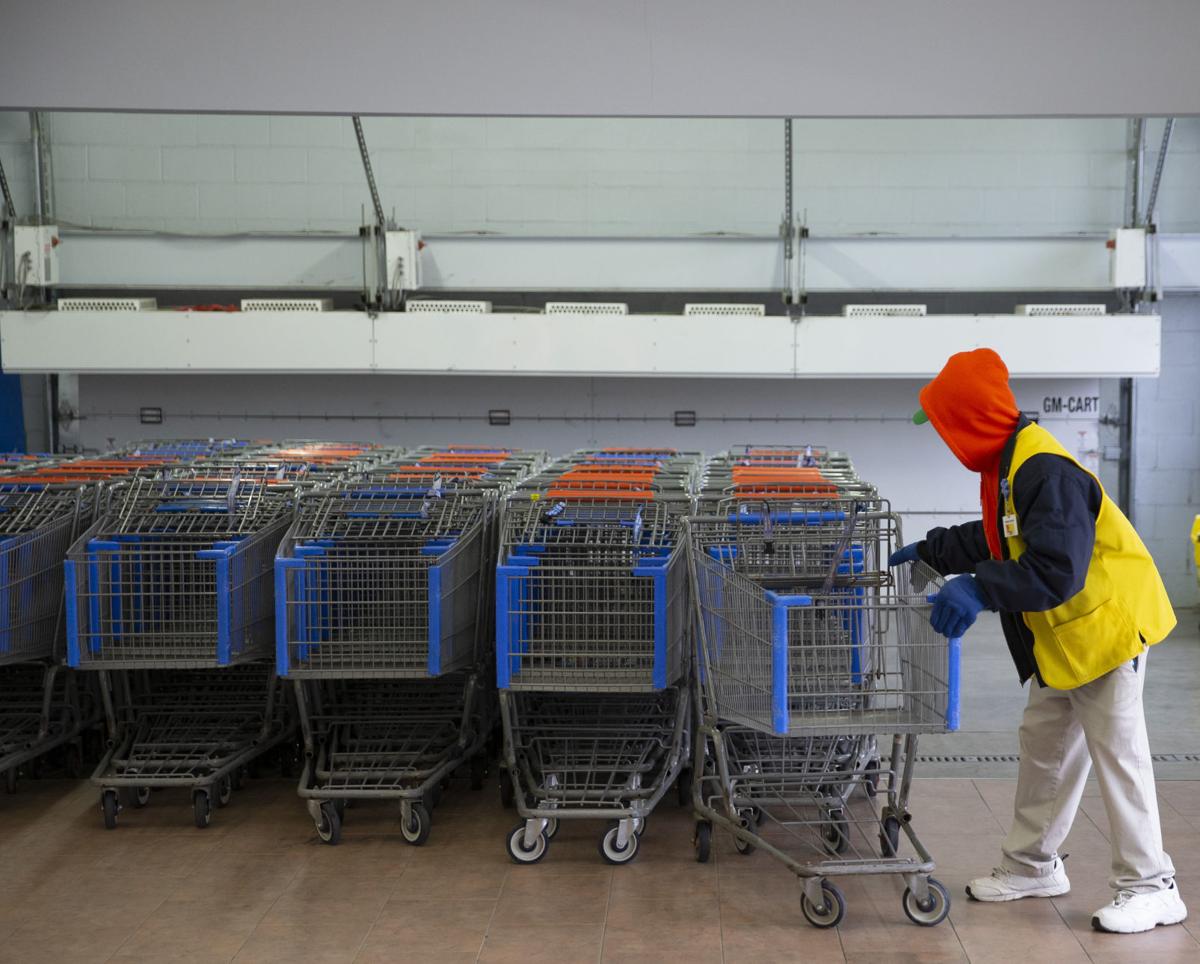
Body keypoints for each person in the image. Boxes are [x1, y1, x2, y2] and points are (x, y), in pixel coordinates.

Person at [891, 347, 1186, 934]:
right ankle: (1033, 866)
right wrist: (934, 550)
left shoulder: (1043, 470)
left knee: (1119, 757)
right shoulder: (1007, 468)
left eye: (948, 426)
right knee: (1045, 748)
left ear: (972, 419)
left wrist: (980, 588)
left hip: (1105, 632)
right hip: (1063, 640)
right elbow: (1000, 536)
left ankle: (1153, 887)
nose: (946, 441)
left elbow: (1056, 568)